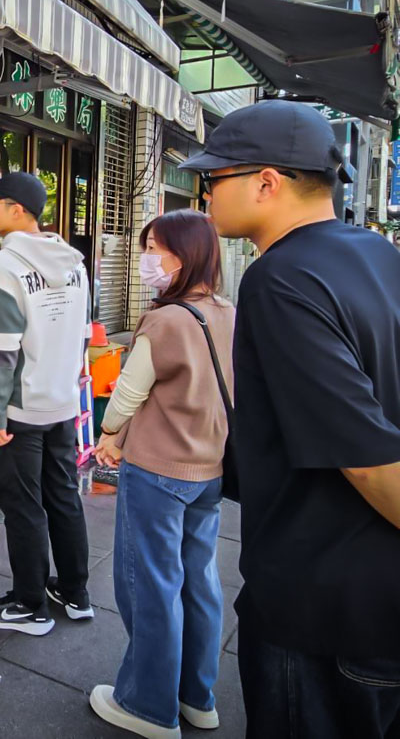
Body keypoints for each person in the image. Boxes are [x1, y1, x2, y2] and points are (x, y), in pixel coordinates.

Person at [180, 99, 400, 739]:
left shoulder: (280, 277)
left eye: (214, 177)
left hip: (321, 606)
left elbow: (366, 458)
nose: (206, 194)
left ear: (266, 182)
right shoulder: (379, 255)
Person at [88, 210, 233, 739]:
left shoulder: (166, 320)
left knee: (150, 586)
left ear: (185, 255)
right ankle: (197, 697)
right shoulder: (228, 312)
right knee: (200, 582)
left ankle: (148, 706)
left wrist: (109, 433)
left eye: (155, 248)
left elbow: (129, 392)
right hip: (209, 468)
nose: (146, 258)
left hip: (158, 471)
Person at [0, 172, 93, 636]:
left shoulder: (4, 266)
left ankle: (29, 604)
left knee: (23, 507)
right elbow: (83, 334)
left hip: (20, 409)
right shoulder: (75, 263)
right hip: (62, 401)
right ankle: (75, 593)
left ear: (16, 210)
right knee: (63, 496)